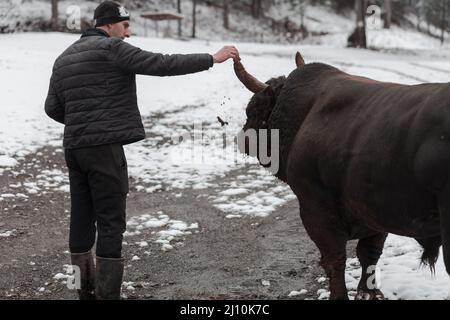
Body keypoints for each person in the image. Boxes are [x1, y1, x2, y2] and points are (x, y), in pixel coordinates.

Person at [44, 0, 239, 300]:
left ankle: (83, 292)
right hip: (104, 149)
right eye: (124, 26)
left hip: (75, 148)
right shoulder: (112, 49)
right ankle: (107, 296)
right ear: (108, 25)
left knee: (81, 217)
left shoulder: (64, 57)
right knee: (111, 220)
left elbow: (53, 108)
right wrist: (211, 58)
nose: (128, 33)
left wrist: (84, 121)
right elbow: (161, 63)